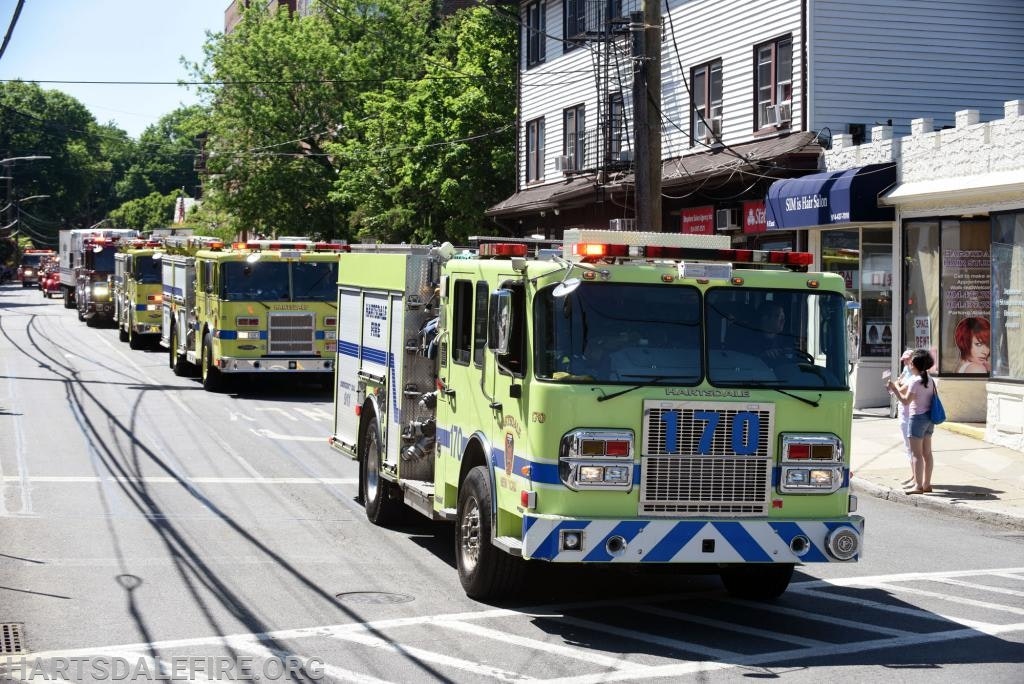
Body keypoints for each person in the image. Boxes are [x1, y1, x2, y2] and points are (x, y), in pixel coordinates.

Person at [886, 349, 936, 494]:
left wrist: (894, 389)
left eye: (911, 363)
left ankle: (918, 486)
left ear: (914, 364)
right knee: (927, 453)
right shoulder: (930, 380)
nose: (909, 365)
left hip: (917, 419)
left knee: (916, 454)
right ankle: (927, 484)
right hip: (929, 418)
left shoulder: (914, 381)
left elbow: (905, 401)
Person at [889, 349, 915, 486]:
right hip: (904, 413)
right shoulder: (906, 370)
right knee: (909, 447)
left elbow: (902, 391)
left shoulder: (915, 377)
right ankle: (914, 476)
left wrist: (895, 386)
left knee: (913, 448)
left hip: (910, 414)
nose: (905, 362)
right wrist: (896, 385)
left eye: (908, 359)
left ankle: (916, 477)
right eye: (904, 359)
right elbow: (898, 383)